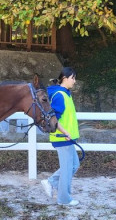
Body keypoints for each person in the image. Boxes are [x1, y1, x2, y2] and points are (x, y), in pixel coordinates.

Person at [41, 67, 81, 206]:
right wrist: (65, 133)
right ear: (65, 78)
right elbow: (53, 119)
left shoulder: (66, 94)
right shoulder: (60, 95)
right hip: (62, 138)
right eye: (73, 78)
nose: (74, 81)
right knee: (67, 168)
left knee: (74, 165)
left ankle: (51, 182)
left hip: (67, 138)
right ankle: (64, 199)